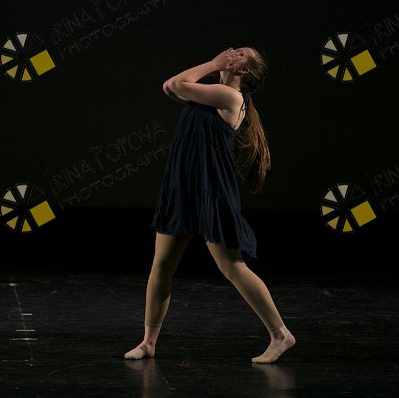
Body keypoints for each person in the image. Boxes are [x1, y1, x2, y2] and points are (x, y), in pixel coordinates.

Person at [123, 47, 296, 364]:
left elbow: (176, 84)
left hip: (211, 191)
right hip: (183, 188)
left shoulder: (230, 97)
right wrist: (215, 66)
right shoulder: (209, 94)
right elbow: (170, 87)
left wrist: (213, 64)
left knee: (232, 267)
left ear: (243, 70)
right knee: (161, 266)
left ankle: (281, 334)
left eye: (239, 53)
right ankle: (148, 342)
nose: (232, 51)